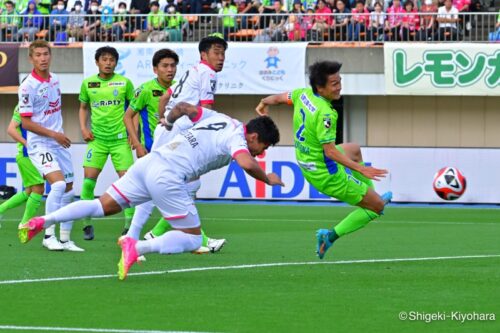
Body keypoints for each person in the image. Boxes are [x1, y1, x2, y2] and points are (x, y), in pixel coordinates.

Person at [19, 102, 283, 280]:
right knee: (192, 239)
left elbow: (181, 108)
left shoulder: (222, 119)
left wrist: (167, 122)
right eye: (265, 147)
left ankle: (42, 221)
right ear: (254, 137)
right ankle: (137, 247)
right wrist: (268, 179)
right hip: (168, 175)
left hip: (149, 163)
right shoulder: (237, 139)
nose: (263, 153)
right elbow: (247, 162)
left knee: (102, 206)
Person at [255, 61, 391, 260]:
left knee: (353, 149)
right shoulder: (326, 113)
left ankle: (371, 195)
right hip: (326, 174)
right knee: (377, 207)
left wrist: (264, 102)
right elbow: (330, 152)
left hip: (308, 159)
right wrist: (361, 170)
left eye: (339, 81)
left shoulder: (303, 94)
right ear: (320, 87)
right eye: (334, 83)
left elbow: (280, 98)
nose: (339, 87)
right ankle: (329, 236)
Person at [138, 36, 228, 254]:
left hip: (172, 129)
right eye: (216, 52)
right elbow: (206, 108)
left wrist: (164, 120)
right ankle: (134, 237)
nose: (221, 57)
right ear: (204, 55)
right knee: (155, 184)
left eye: (223, 53)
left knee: (187, 183)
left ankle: (159, 233)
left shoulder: (192, 71)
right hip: (177, 132)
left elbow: (164, 99)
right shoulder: (207, 72)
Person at [18, 41, 82, 252]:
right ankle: (48, 235)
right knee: (58, 185)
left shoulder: (55, 79)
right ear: (31, 59)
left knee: (70, 189)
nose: (43, 58)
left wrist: (58, 134)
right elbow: (25, 123)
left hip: (58, 142)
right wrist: (54, 134)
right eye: (38, 55)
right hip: (40, 144)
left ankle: (65, 239)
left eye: (46, 54)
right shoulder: (27, 87)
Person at [78, 46, 135, 240]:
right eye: (104, 59)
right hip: (98, 141)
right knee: (87, 184)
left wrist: (133, 134)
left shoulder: (124, 82)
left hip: (120, 141)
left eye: (112, 60)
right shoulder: (88, 84)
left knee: (128, 183)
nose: (108, 63)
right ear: (97, 62)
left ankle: (128, 226)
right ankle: (86, 224)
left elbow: (133, 109)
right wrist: (84, 129)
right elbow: (83, 108)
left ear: (116, 62)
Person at [0, 105, 44, 228]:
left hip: (33, 154)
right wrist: (26, 144)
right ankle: (25, 223)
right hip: (26, 154)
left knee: (30, 191)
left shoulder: (37, 103)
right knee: (39, 189)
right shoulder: (24, 105)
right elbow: (11, 129)